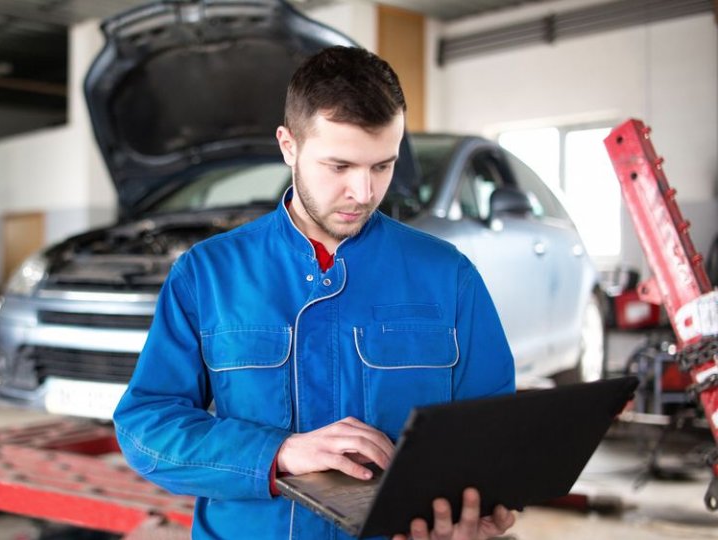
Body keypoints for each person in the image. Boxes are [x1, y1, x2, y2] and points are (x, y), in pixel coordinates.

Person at [113, 46, 517, 540]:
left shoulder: (449, 276)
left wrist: (478, 512)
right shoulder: (207, 273)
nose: (364, 192)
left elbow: (493, 435)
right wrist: (278, 454)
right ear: (288, 146)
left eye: (382, 166)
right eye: (339, 166)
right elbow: (146, 426)